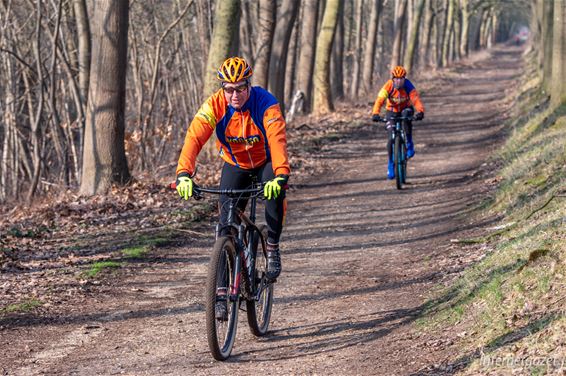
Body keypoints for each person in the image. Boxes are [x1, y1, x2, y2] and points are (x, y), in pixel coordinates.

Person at [175, 56, 290, 282]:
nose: (235, 96)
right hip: (235, 164)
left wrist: (281, 174)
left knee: (275, 193)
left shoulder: (266, 103)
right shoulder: (215, 105)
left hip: (265, 162)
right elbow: (194, 137)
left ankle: (273, 246)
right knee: (225, 226)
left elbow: (277, 140)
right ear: (222, 89)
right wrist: (183, 174)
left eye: (240, 89)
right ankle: (220, 291)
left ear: (249, 85)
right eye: (229, 90)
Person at [371, 65, 425, 179]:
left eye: (401, 78)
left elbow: (415, 99)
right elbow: (379, 100)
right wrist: (375, 113)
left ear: (404, 78)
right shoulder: (388, 86)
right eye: (396, 78)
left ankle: (409, 144)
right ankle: (391, 163)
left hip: (406, 108)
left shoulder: (408, 85)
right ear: (393, 78)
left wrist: (420, 111)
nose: (399, 81)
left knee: (407, 118)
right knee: (391, 138)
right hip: (392, 111)